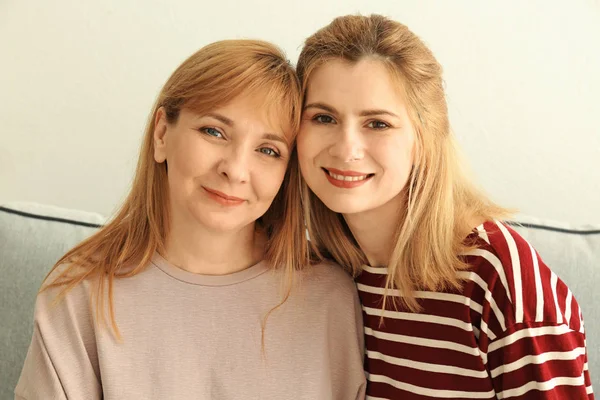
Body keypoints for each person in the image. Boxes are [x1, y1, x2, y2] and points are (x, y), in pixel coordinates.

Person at [15, 39, 366, 399]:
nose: (235, 170)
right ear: (162, 134)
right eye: (214, 132)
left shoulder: (330, 298)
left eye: (268, 150)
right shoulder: (80, 293)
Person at [295, 14, 594, 399]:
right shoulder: (321, 269)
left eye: (378, 124)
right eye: (323, 117)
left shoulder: (497, 275)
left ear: (424, 139)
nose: (345, 148)